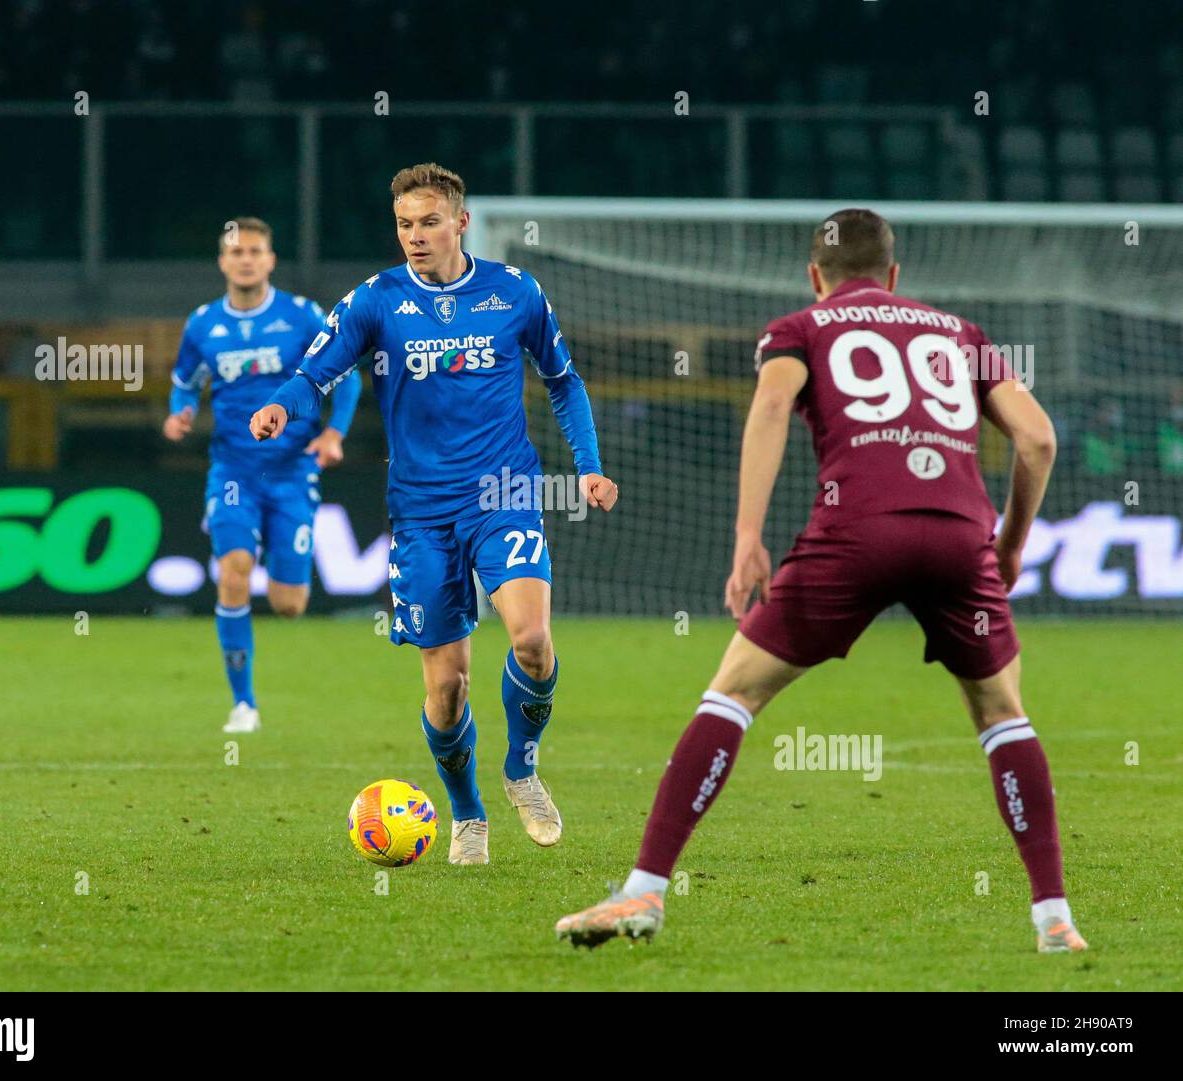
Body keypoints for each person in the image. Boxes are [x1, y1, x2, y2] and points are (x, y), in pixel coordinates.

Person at [556, 208, 1086, 954]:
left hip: (855, 533)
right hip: (960, 535)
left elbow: (772, 406)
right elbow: (1037, 437)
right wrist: (1008, 543)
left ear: (815, 277)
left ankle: (642, 891)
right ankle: (1054, 918)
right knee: (1003, 712)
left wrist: (747, 538)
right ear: (895, 275)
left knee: (734, 692)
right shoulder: (959, 332)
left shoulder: (799, 328)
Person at [251, 164, 617, 865]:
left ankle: (521, 767)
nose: (414, 236)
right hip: (420, 509)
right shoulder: (376, 300)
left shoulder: (514, 292)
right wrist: (281, 405)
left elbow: (563, 380)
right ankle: (467, 813)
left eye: (427, 222)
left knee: (533, 639)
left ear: (460, 222)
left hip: (505, 492)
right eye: (404, 225)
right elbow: (312, 376)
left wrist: (590, 466)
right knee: (447, 688)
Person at [165, 217, 361, 733]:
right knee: (233, 568)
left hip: (294, 470)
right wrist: (180, 411)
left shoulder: (301, 316)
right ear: (223, 261)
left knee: (289, 604)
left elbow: (348, 377)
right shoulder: (203, 324)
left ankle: (280, 558)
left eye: (255, 251)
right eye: (236, 251)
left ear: (270, 260)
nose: (246, 259)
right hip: (233, 468)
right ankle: (243, 704)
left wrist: (334, 434)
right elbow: (185, 382)